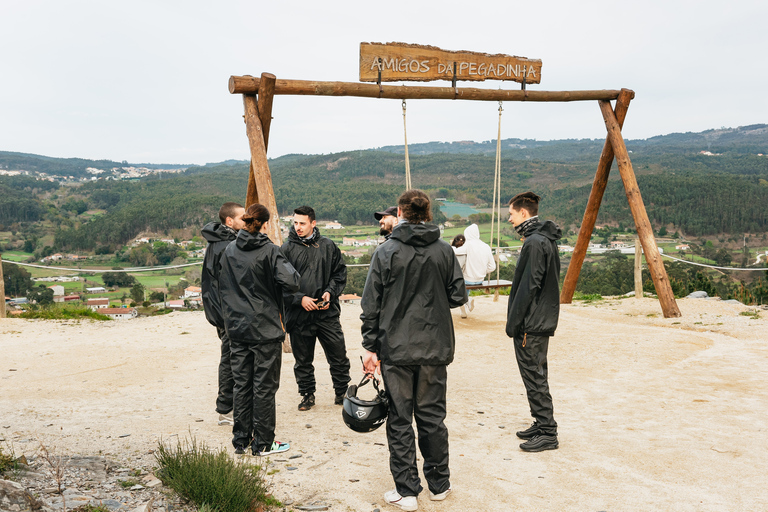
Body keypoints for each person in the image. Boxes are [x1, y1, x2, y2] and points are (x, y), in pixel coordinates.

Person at [361, 189, 467, 511]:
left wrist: (369, 346)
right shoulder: (444, 251)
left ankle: (407, 492)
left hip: (396, 347)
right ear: (428, 213)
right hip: (435, 346)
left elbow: (371, 304)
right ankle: (439, 485)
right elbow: (457, 296)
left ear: (401, 213)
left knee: (400, 419)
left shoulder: (386, 251)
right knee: (433, 417)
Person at [218, 203, 301, 456]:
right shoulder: (270, 251)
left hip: (237, 328)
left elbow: (221, 285)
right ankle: (263, 443)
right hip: (264, 328)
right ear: (265, 224)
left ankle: (241, 440)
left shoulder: (229, 250)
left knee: (242, 384)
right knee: (264, 387)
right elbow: (292, 281)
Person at [506, 191, 561, 453]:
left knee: (534, 375)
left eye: (511, 214)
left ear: (524, 213)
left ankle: (548, 432)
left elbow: (528, 286)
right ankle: (541, 422)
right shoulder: (544, 239)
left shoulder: (534, 242)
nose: (510, 219)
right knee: (537, 373)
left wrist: (513, 323)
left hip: (532, 323)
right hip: (540, 319)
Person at [281, 206, 351, 410]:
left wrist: (331, 291)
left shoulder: (328, 246)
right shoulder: (286, 250)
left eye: (302, 223)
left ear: (313, 223)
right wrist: (300, 298)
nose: (298, 227)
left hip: (327, 313)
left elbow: (339, 274)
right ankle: (307, 395)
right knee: (302, 360)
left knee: (338, 356)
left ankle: (341, 392)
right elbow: (280, 284)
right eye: (295, 223)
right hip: (299, 315)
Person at [200, 202, 245, 426]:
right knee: (230, 360)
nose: (245, 221)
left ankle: (231, 406)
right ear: (230, 221)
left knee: (232, 358)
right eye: (242, 218)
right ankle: (226, 410)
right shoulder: (227, 246)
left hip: (224, 312)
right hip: (229, 313)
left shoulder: (219, 242)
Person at [452, 224, 496, 316]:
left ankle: (467, 301)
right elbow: (492, 267)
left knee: (459, 279)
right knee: (464, 280)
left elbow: (455, 252)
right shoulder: (486, 246)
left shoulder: (468, 245)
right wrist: (483, 270)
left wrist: (451, 246)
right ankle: (464, 306)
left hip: (468, 280)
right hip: (480, 280)